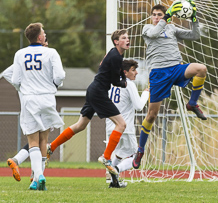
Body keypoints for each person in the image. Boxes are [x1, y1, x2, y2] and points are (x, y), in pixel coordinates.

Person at [132, 0, 207, 169]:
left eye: (160, 15)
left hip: (176, 68)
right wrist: (167, 16)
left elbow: (195, 35)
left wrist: (194, 18)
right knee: (152, 115)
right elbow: (154, 34)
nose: (157, 17)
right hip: (158, 74)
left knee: (201, 69)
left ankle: (192, 103)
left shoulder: (171, 28)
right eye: (155, 15)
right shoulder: (148, 29)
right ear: (151, 17)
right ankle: (140, 150)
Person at [46, 29, 130, 175]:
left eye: (128, 37)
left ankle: (51, 147)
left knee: (80, 125)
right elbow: (116, 81)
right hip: (98, 92)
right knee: (121, 124)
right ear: (116, 42)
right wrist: (125, 82)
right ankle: (106, 157)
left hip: (93, 90)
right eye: (124, 38)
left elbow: (113, 72)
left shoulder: (114, 53)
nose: (127, 40)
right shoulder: (116, 56)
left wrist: (122, 75)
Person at [11, 23, 65, 190]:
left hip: (29, 100)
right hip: (48, 99)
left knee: (32, 141)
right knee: (44, 140)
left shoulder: (20, 54)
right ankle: (36, 180)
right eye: (44, 32)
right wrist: (54, 85)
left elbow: (15, 81)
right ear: (40, 37)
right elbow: (60, 76)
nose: (45, 34)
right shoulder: (51, 52)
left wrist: (25, 88)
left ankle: (38, 175)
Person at [5, 39, 49, 183]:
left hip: (29, 102)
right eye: (45, 40)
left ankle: (17, 161)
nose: (47, 44)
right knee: (41, 140)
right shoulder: (36, 58)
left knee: (35, 140)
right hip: (39, 102)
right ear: (40, 41)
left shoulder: (25, 58)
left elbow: (8, 74)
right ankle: (37, 177)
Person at [105, 59, 149, 188]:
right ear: (125, 72)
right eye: (133, 70)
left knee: (119, 153)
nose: (136, 73)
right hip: (125, 128)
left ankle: (112, 179)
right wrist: (146, 93)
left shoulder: (110, 84)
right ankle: (116, 171)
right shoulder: (128, 84)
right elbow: (139, 106)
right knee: (136, 157)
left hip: (110, 127)